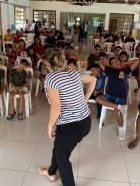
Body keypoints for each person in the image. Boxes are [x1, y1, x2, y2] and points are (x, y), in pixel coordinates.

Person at [37, 49, 96, 186]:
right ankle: (51, 173)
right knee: (59, 148)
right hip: (84, 122)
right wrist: (84, 99)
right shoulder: (73, 72)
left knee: (62, 158)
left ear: (47, 63)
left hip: (70, 126)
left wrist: (50, 126)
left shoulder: (51, 78)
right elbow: (93, 79)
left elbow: (56, 107)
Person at [96, 57, 139, 140]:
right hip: (109, 96)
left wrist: (125, 63)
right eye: (113, 62)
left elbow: (137, 60)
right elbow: (99, 62)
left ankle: (121, 129)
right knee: (98, 99)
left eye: (117, 61)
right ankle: (118, 106)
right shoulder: (109, 70)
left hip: (120, 97)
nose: (116, 62)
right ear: (111, 65)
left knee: (118, 113)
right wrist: (111, 66)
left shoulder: (126, 70)